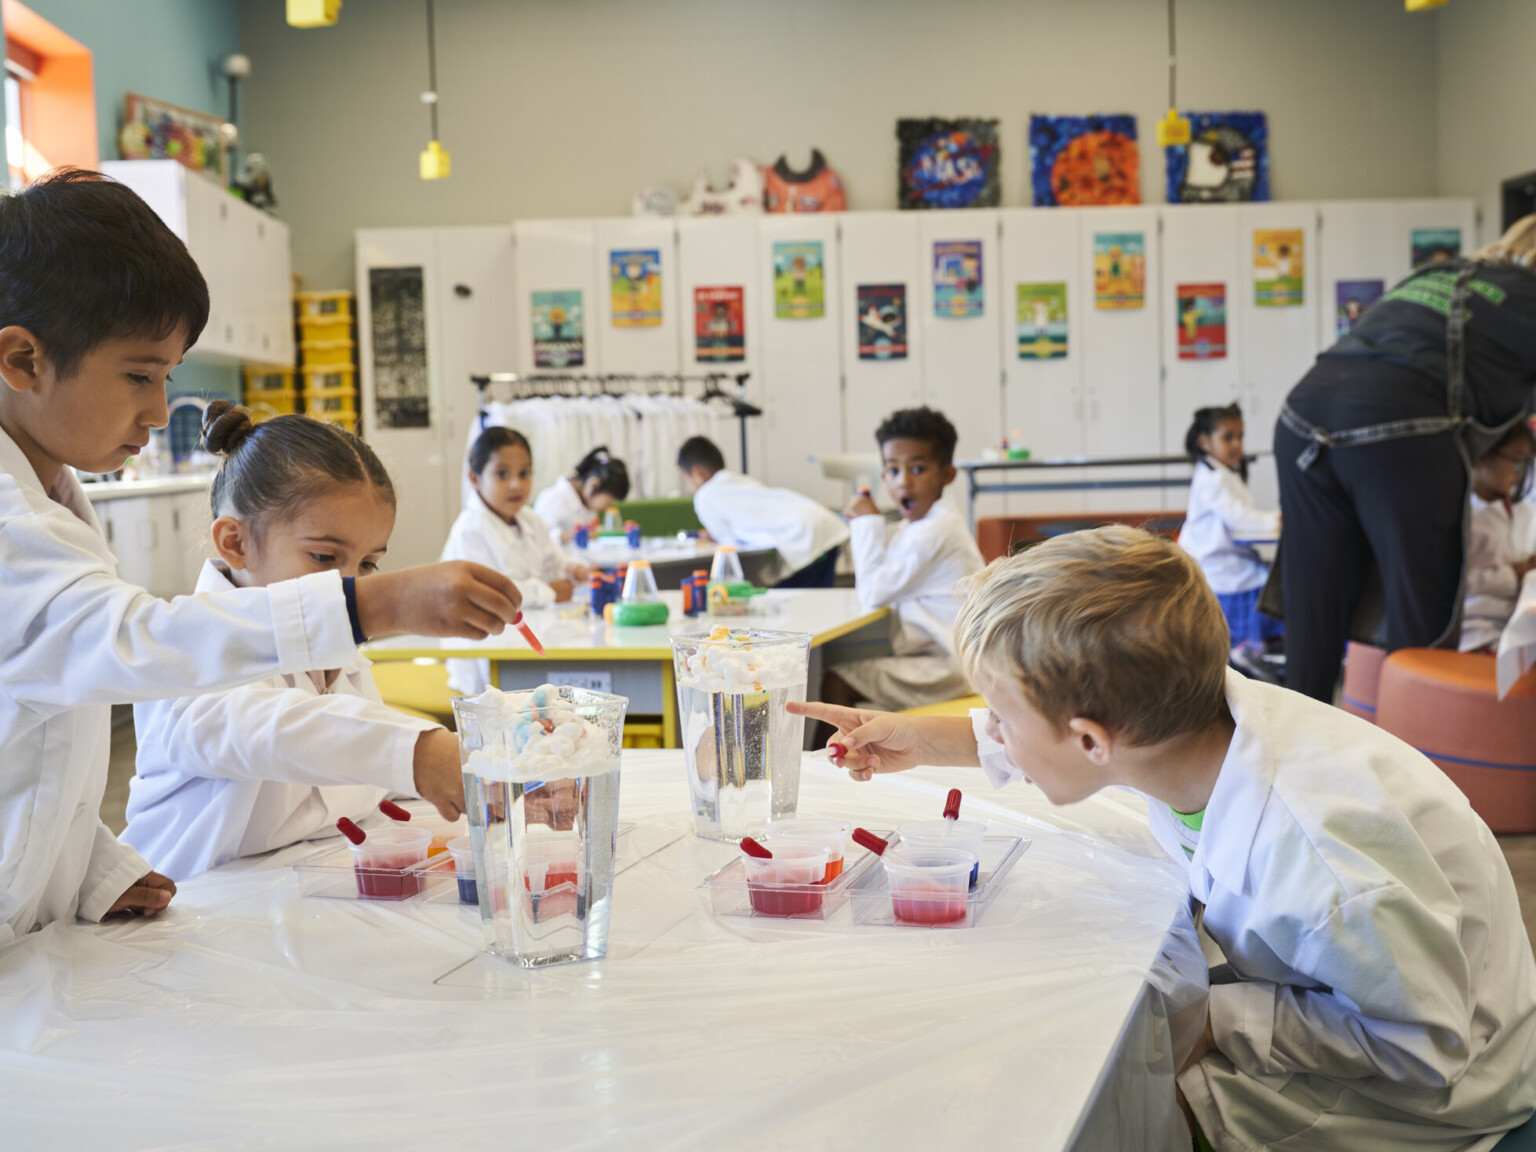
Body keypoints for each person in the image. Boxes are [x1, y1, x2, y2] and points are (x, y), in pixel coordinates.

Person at [791, 527, 1536, 1152]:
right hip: (1349, 983)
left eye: (1000, 712)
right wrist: (923, 737)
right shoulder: (1188, 718)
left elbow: (1428, 1048)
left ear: (1091, 739)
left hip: (1433, 1094)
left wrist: (1218, 1022)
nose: (994, 727)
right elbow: (1057, 729)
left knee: (1113, 1110)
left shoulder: (1322, 865)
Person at [0, 169, 520, 945]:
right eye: (139, 374)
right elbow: (134, 649)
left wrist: (91, 865)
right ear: (22, 360)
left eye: (167, 377)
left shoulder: (46, 501)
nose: (155, 409)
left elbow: (32, 748)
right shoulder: (17, 522)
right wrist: (374, 607)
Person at [122, 404, 468, 881]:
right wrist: (416, 754)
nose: (350, 587)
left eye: (367, 565)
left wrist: (478, 765)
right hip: (187, 916)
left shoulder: (337, 655)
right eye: (324, 557)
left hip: (283, 895)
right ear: (235, 543)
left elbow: (356, 776)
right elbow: (270, 730)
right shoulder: (186, 650)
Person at [1275, 215, 1536, 701]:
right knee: (1423, 617)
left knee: (1315, 614)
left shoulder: (1445, 272)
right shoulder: (1528, 297)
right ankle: (1414, 759)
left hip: (1302, 416)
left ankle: (1290, 766)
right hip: (1400, 427)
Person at [826, 406, 983, 712]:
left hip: (951, 665)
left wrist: (866, 524)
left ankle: (829, 761)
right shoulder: (921, 526)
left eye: (918, 469)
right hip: (947, 657)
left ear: (947, 475)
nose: (903, 483)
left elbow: (872, 593)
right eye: (893, 470)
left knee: (836, 680)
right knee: (847, 669)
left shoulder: (937, 530)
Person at [443, 425, 574, 694]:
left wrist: (575, 571)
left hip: (528, 636)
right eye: (502, 474)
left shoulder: (531, 520)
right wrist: (548, 592)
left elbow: (553, 563)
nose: (516, 484)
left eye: (524, 473)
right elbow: (491, 595)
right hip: (483, 651)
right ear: (475, 478)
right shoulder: (470, 529)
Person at [1179, 403, 1282, 660]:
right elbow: (1239, 518)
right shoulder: (1212, 479)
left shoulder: (1222, 473)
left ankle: (1255, 645)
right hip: (1220, 571)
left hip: (1232, 562)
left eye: (1240, 436)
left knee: (1269, 575)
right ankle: (1249, 647)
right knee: (1269, 583)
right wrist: (1279, 519)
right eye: (1228, 437)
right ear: (1204, 442)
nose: (1237, 444)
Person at [677, 435, 848, 587]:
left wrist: (716, 538)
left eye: (686, 480)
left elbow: (728, 546)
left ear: (698, 474)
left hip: (802, 536)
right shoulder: (737, 480)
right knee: (819, 602)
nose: (689, 487)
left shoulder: (705, 495)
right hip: (823, 524)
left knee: (796, 607)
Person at [1460, 421, 1536, 653]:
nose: (1520, 471)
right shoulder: (1467, 517)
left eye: (1525, 462)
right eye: (1515, 460)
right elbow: (1460, 585)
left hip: (1521, 624)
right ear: (1482, 455)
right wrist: (1512, 575)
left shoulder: (1525, 511)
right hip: (1478, 632)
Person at [532, 445, 631, 543]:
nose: (607, 507)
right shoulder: (551, 499)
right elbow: (538, 539)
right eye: (609, 501)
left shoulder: (586, 501)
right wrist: (568, 535)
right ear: (594, 484)